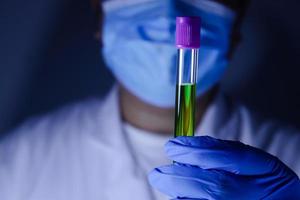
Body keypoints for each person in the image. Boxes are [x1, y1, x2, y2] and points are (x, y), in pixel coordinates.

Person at [0, 0, 300, 199]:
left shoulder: (290, 169)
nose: (169, 10)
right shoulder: (19, 163)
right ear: (99, 16)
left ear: (236, 29)